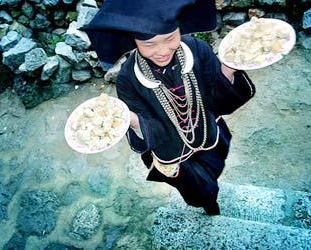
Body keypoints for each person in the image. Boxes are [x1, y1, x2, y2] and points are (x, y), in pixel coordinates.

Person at [85, 0, 255, 215]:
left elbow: (217, 103)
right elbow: (149, 128)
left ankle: (211, 196)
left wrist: (227, 71)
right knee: (196, 188)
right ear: (134, 41)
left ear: (179, 29)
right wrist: (131, 119)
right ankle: (208, 204)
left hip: (207, 134)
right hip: (170, 151)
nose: (162, 51)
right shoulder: (128, 79)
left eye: (170, 38)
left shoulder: (197, 50)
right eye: (149, 45)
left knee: (214, 169)